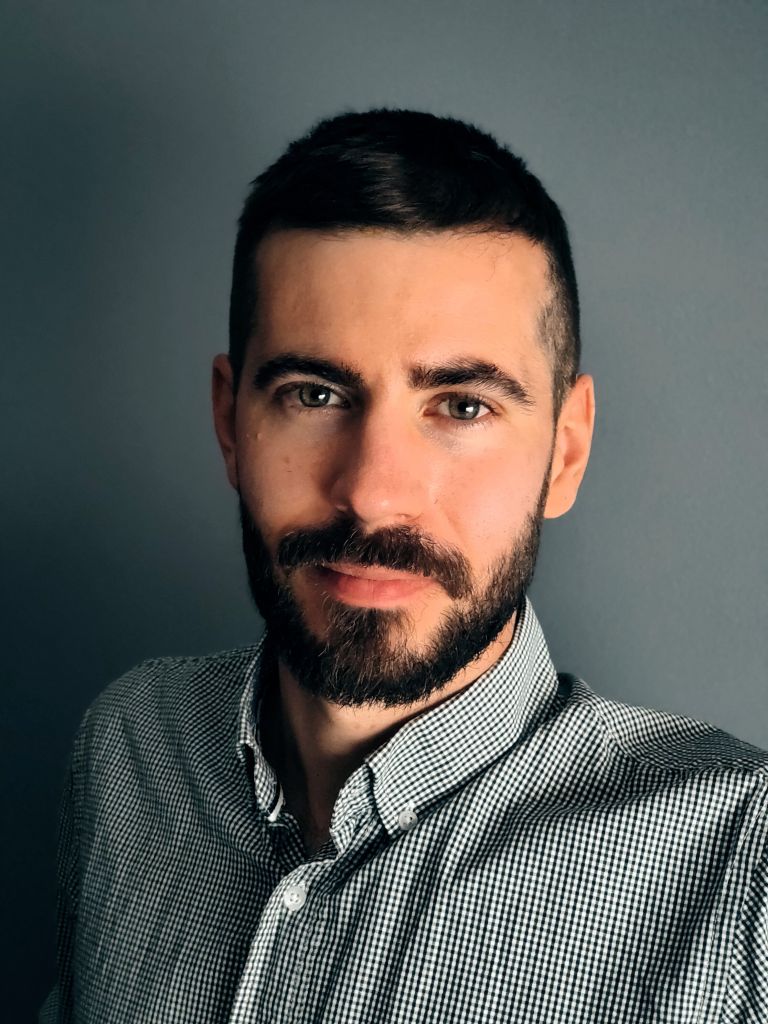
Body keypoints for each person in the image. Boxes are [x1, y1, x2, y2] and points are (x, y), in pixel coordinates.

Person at [41, 109, 767, 1024]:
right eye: (315, 394)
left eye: (462, 406)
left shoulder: (745, 867)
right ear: (230, 422)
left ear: (566, 451)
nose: (374, 495)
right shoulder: (127, 751)